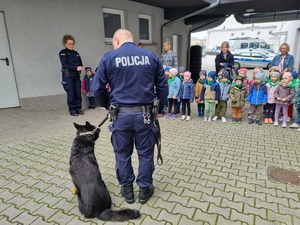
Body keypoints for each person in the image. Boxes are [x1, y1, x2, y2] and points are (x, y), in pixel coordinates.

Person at [92, 29, 168, 204]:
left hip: (120, 116)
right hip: (145, 116)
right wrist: (161, 108)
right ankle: (144, 189)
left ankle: (127, 190)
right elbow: (162, 86)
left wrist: (105, 104)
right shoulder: (150, 56)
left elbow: (97, 87)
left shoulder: (109, 58)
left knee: (122, 154)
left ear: (117, 39)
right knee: (145, 153)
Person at [59, 34, 84, 116]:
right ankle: (72, 110)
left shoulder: (76, 53)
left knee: (78, 93)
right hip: (68, 76)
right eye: (69, 43)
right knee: (71, 94)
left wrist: (79, 67)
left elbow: (80, 63)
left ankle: (78, 108)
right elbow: (64, 65)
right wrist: (76, 67)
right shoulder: (63, 53)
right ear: (65, 44)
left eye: (72, 43)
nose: (71, 45)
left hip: (76, 76)